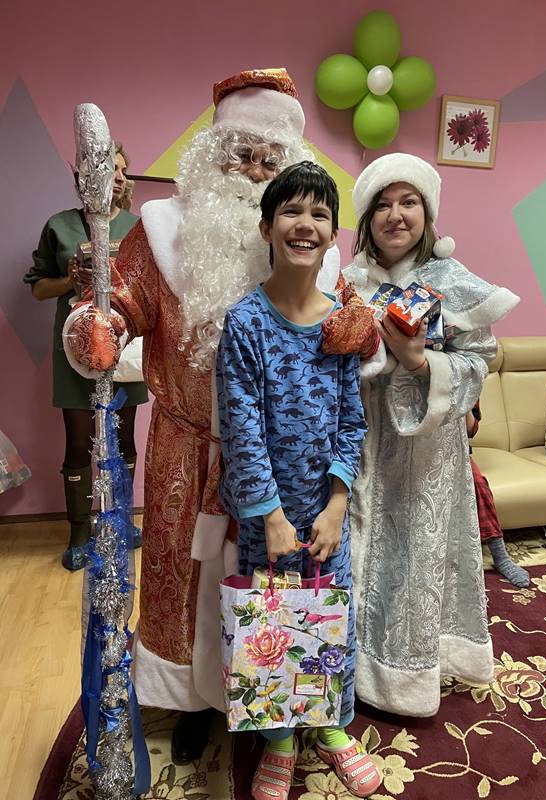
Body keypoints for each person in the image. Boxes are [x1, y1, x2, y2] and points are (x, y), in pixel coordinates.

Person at [63, 69, 340, 763]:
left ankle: (270, 697)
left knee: (270, 579)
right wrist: (98, 326)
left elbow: (340, 319)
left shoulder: (309, 244)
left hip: (276, 456)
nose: (254, 169)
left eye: (270, 158)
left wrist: (362, 328)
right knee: (182, 577)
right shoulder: (161, 231)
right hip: (185, 449)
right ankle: (189, 698)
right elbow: (123, 303)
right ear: (212, 154)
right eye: (241, 152)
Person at [324, 152, 520, 717]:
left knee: (414, 560)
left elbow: (480, 362)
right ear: (367, 220)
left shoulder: (452, 282)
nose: (396, 215)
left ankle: (404, 679)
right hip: (360, 445)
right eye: (383, 205)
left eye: (408, 202)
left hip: (427, 454)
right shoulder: (345, 284)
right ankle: (348, 672)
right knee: (354, 551)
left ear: (426, 214)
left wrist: (419, 361)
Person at [217, 162, 381, 800]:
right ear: (267, 228)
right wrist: (271, 517)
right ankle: (280, 741)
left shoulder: (343, 322)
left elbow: (351, 420)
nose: (305, 224)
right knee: (272, 624)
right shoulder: (245, 323)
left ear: (333, 234)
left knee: (329, 615)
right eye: (291, 211)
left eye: (319, 214)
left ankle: (332, 726)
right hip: (268, 516)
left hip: (325, 512)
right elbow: (242, 431)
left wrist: (337, 504)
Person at [24, 144, 147, 571]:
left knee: (124, 439)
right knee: (78, 442)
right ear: (83, 177)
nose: (117, 176)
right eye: (108, 168)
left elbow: (150, 288)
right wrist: (70, 278)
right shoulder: (59, 226)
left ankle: (124, 521)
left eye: (121, 169)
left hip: (125, 348)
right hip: (75, 351)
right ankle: (79, 533)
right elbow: (37, 288)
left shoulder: (138, 226)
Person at [466, 405, 530, 588]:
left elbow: (470, 430)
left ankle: (501, 557)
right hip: (413, 448)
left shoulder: (469, 385)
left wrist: (463, 402)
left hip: (454, 451)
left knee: (477, 483)